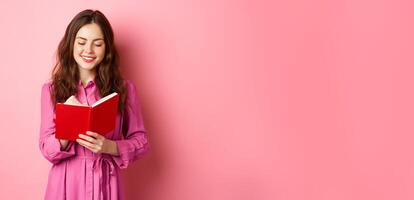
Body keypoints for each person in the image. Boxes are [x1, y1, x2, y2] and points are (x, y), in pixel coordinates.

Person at [39, 9, 150, 200]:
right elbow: (46, 148)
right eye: (81, 42)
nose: (88, 50)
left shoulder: (124, 89)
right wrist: (66, 132)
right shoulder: (52, 90)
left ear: (106, 48)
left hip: (106, 182)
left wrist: (109, 147)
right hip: (66, 184)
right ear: (71, 44)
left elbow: (141, 141)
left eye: (97, 44)